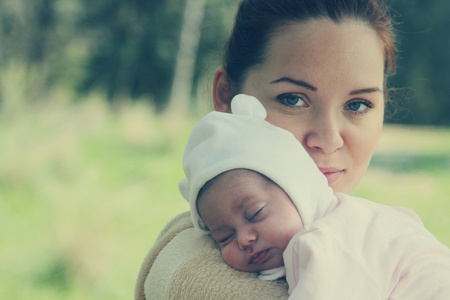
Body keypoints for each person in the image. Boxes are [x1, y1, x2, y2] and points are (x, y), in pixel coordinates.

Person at [134, 0, 416, 298]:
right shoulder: (201, 279)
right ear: (226, 96)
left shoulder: (387, 238)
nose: (329, 139)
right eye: (293, 99)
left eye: (358, 105)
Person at [181, 94, 450, 299]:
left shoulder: (325, 240)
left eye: (256, 213)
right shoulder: (353, 214)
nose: (243, 239)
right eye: (223, 237)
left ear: (299, 188)